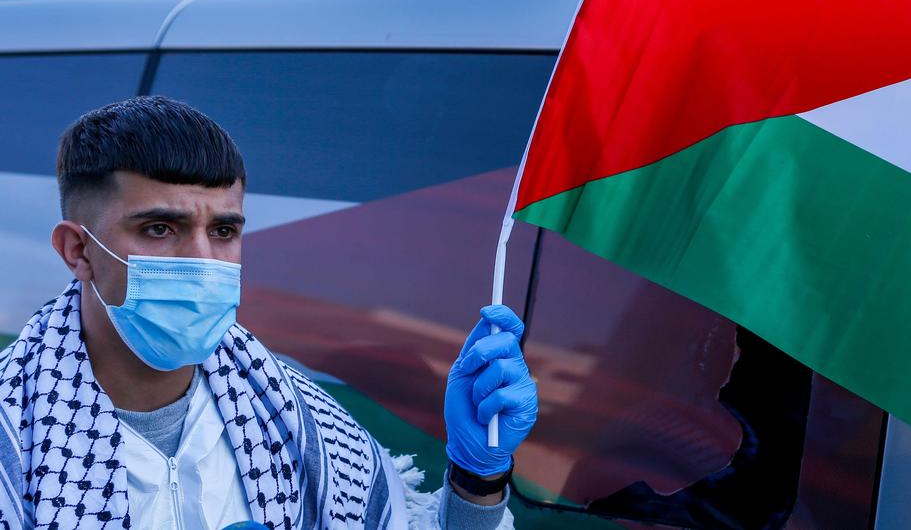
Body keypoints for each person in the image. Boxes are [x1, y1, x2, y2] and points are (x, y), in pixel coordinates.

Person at [0, 96, 538, 529]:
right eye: (160, 229)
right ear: (78, 250)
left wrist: (475, 478)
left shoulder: (298, 419)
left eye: (224, 231)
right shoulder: (13, 437)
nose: (203, 261)